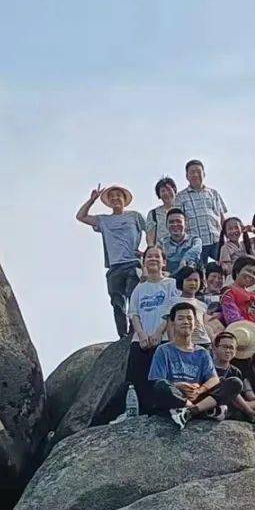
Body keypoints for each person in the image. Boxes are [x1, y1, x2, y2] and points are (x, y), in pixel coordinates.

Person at [148, 302, 243, 429]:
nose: (185, 322)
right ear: (172, 323)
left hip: (197, 396)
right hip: (175, 397)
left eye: (189, 318)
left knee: (235, 383)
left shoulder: (202, 352)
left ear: (195, 323)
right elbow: (156, 380)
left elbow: (213, 379)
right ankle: (198, 410)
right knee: (161, 387)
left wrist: (200, 390)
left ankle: (190, 412)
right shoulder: (163, 350)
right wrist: (179, 386)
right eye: (180, 318)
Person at [76, 183, 146, 337]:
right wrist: (91, 200)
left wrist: (148, 251)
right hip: (114, 266)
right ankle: (122, 336)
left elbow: (151, 231)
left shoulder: (135, 216)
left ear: (124, 199)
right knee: (117, 302)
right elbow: (80, 216)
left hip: (133, 263)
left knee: (133, 297)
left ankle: (134, 331)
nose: (115, 198)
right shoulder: (103, 220)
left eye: (118, 195)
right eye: (112, 196)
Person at [126, 246, 179, 413]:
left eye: (157, 256)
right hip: (140, 340)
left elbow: (172, 311)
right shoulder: (139, 288)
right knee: (137, 380)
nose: (153, 259)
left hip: (162, 339)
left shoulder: (170, 284)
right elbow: (134, 314)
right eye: (149, 256)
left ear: (164, 262)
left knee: (161, 378)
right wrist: (141, 335)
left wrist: (158, 332)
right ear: (144, 262)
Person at [174, 159, 228, 262]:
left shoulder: (213, 193)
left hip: (216, 240)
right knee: (198, 273)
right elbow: (178, 220)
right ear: (187, 176)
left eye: (198, 171)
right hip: (195, 243)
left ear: (204, 174)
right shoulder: (180, 197)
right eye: (192, 172)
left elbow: (222, 218)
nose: (195, 175)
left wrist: (227, 236)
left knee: (222, 269)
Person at [221, 257, 255, 334]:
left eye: (254, 273)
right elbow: (232, 317)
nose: (251, 275)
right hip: (240, 335)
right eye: (248, 271)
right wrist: (250, 330)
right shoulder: (228, 292)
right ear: (237, 271)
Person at [168, 266, 212, 348]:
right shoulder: (173, 302)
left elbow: (205, 326)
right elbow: (170, 325)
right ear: (181, 281)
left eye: (196, 280)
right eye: (189, 280)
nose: (193, 283)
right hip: (184, 343)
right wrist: (173, 345)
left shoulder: (202, 305)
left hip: (203, 343)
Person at [145, 177, 179, 247]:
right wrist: (151, 249)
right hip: (162, 252)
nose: (166, 193)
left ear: (174, 190)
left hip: (182, 251)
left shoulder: (183, 209)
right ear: (159, 194)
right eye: (163, 191)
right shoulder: (153, 213)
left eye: (169, 190)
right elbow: (150, 237)